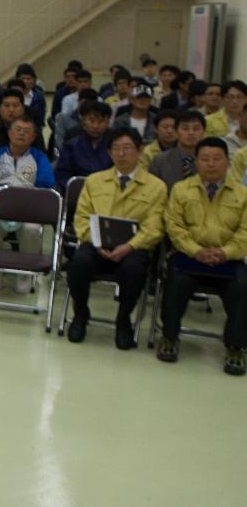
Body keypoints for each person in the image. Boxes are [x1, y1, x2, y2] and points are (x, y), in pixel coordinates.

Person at [64, 126, 166, 348]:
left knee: (134, 270)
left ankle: (123, 320)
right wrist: (95, 241)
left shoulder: (156, 187)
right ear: (109, 153)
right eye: (116, 149)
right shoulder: (95, 181)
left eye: (127, 148)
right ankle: (81, 313)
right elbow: (81, 218)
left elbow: (154, 227)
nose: (122, 153)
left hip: (132, 248)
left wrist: (130, 246)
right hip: (97, 244)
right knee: (78, 263)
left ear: (139, 151)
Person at [157, 137, 247, 374]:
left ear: (228, 162)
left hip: (228, 260)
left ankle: (236, 346)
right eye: (205, 159)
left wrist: (224, 252)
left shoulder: (242, 194)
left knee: (243, 287)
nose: (211, 164)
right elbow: (174, 226)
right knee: (175, 282)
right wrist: (197, 251)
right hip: (189, 256)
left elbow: (245, 233)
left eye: (217, 159)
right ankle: (169, 337)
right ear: (196, 162)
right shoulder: (181, 189)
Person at [0, 115, 55, 294]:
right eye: (18, 130)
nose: (21, 134)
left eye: (27, 132)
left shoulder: (40, 158)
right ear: (10, 133)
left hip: (29, 211)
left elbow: (46, 185)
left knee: (32, 230)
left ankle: (25, 272)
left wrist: (30, 205)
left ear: (34, 137)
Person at [0, 89, 47, 178]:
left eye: (15, 106)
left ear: (23, 109)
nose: (11, 109)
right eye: (6, 105)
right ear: (0, 109)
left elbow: (42, 162)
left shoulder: (33, 132)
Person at [54, 102, 113, 191]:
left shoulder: (116, 144)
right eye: (92, 121)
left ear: (108, 122)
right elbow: (62, 174)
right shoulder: (72, 145)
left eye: (101, 121)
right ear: (84, 121)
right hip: (78, 193)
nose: (95, 126)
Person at [149, 110, 207, 189]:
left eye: (196, 129)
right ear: (176, 132)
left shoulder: (211, 161)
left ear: (204, 132)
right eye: (185, 128)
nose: (191, 133)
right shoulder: (159, 161)